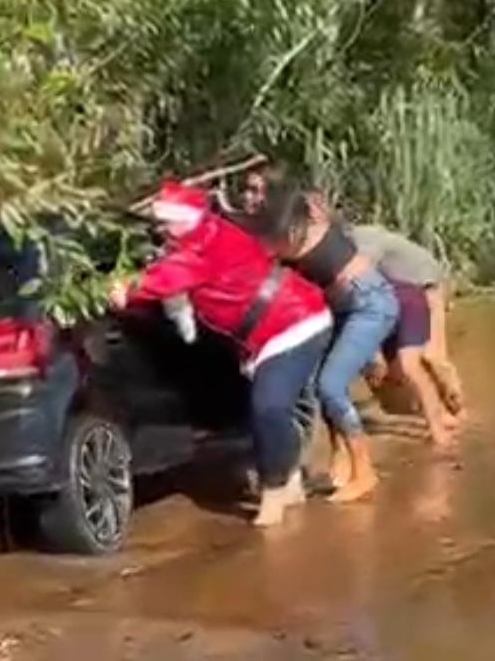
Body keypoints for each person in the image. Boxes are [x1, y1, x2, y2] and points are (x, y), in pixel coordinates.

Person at [110, 180, 332, 528]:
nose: (163, 229)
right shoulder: (205, 233)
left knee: (268, 406)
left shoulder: (203, 244)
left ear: (186, 219)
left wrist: (129, 289)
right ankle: (289, 480)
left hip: (293, 322)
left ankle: (274, 491)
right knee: (273, 409)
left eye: (167, 223)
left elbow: (173, 275)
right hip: (278, 326)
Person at [263, 184, 399, 503]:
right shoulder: (298, 231)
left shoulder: (303, 235)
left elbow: (276, 254)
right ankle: (341, 460)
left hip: (370, 305)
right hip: (346, 308)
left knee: (330, 386)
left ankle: (365, 472)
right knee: (319, 385)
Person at [351, 223, 464, 422]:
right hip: (400, 300)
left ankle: (458, 411)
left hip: (426, 286)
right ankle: (434, 411)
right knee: (401, 367)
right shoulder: (356, 242)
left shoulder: (361, 240)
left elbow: (360, 281)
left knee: (433, 357)